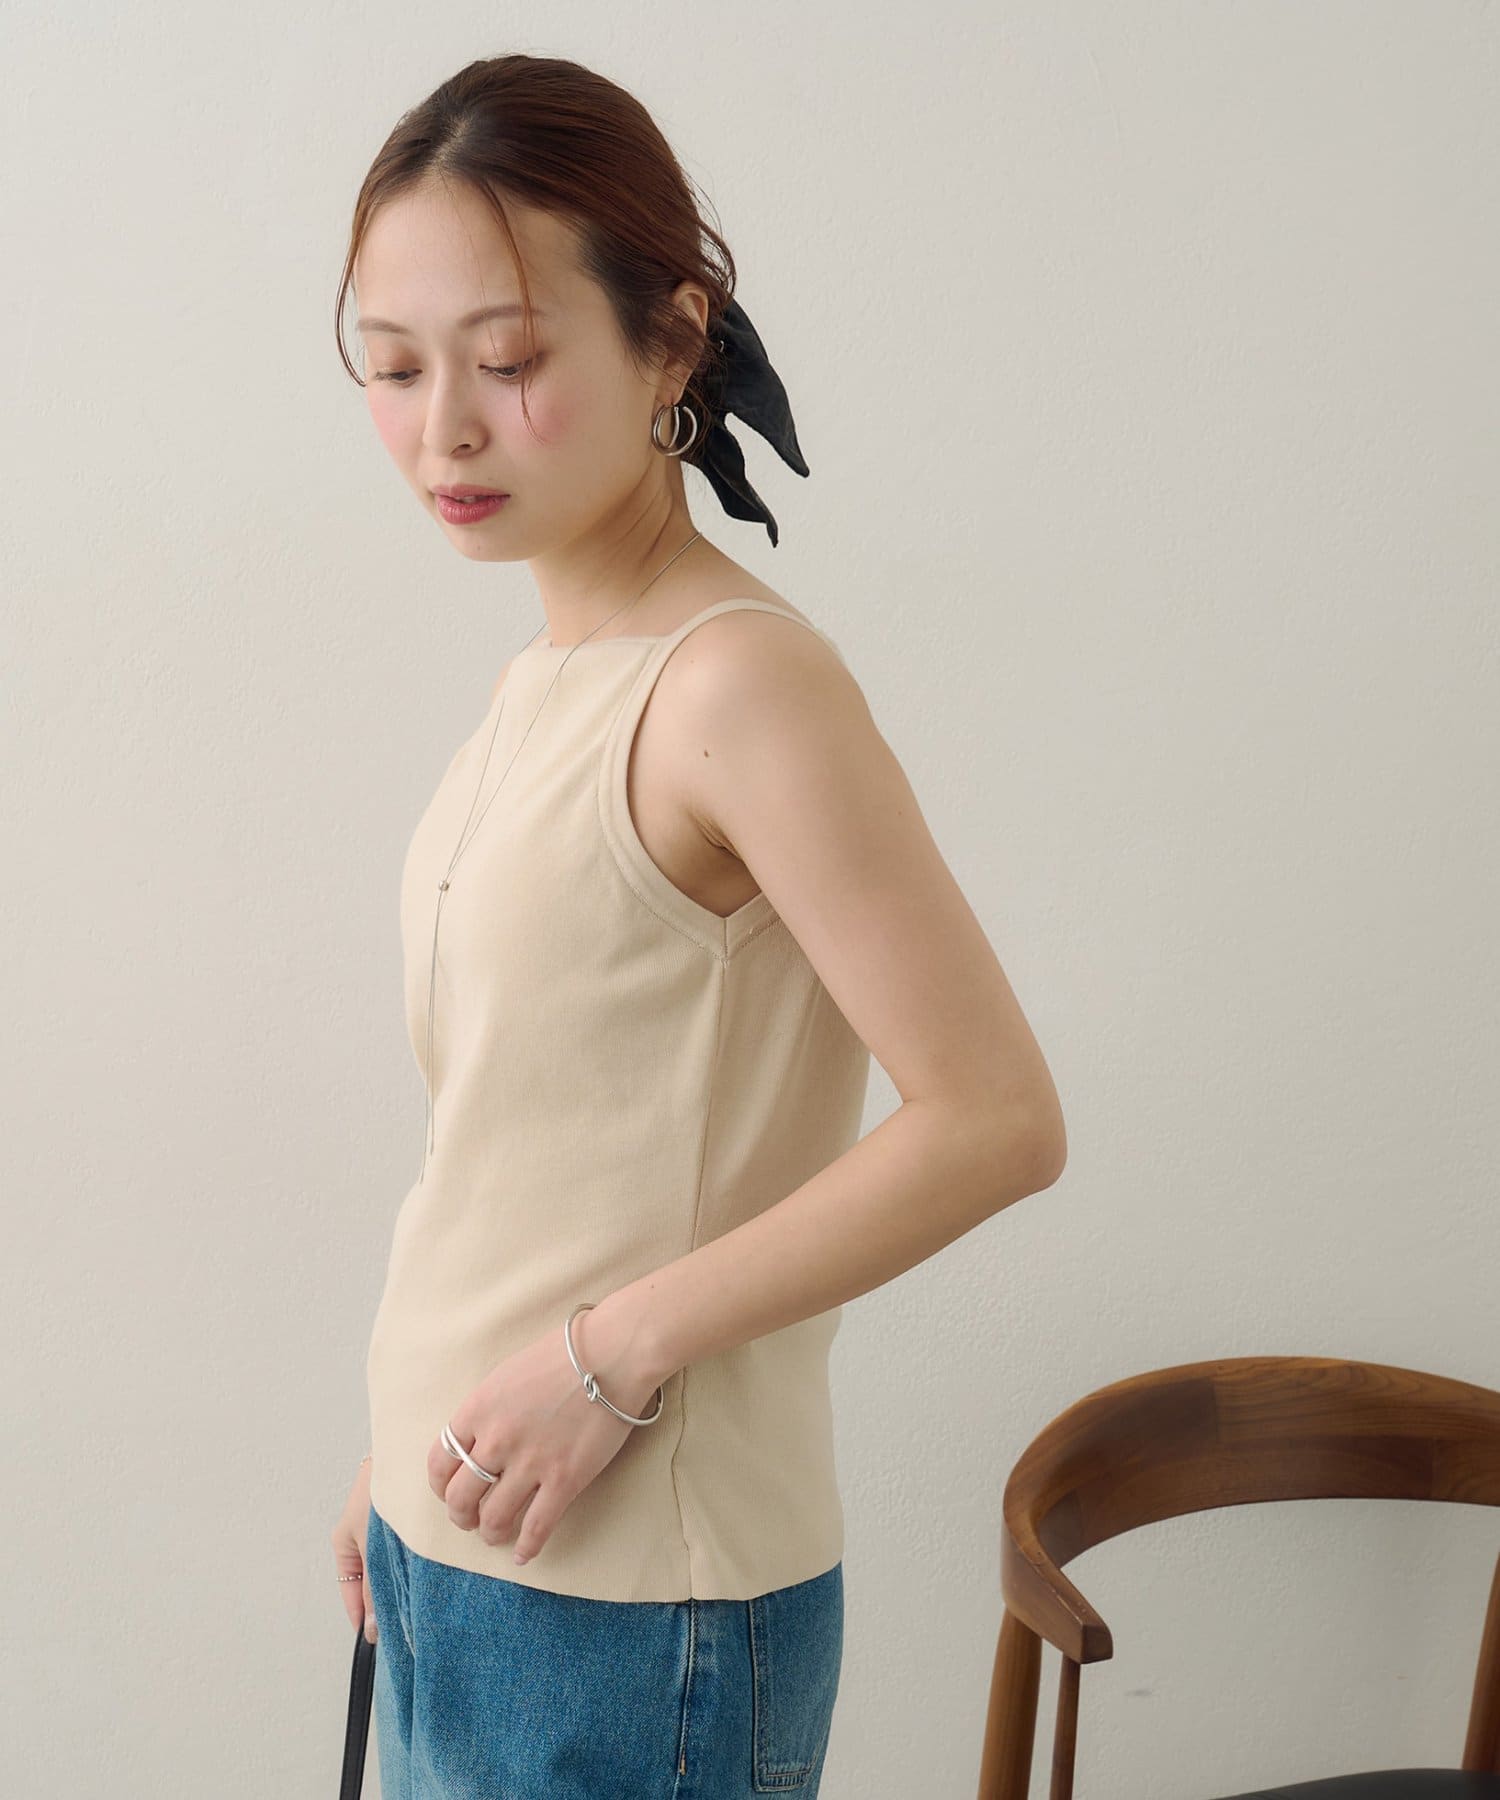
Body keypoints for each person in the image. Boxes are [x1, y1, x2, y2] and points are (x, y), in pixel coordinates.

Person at [326, 52, 1067, 1798]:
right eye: (395, 367)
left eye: (510, 360)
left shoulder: (736, 687)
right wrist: (397, 1443)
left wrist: (609, 1357)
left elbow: (996, 1119)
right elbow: (522, 1143)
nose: (444, 429)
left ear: (672, 343)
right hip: (456, 1548)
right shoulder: (545, 680)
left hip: (631, 1608)